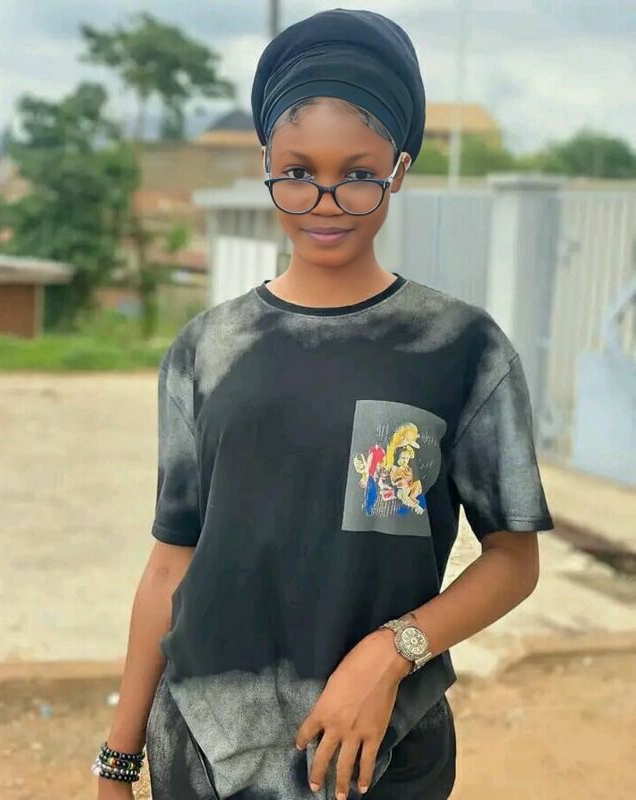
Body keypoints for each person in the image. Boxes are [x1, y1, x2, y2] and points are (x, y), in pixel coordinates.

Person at [94, 8, 554, 800]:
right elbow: (172, 562)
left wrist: (393, 651)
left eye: (359, 173)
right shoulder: (207, 350)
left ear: (399, 170)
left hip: (380, 759)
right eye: (299, 171)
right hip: (204, 752)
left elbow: (514, 560)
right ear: (266, 163)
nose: (326, 200)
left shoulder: (459, 349)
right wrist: (118, 759)